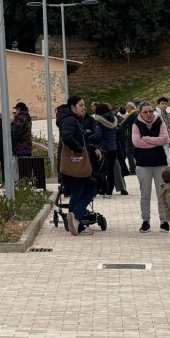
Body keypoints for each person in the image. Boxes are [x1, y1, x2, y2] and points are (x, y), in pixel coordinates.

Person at [56, 96, 99, 236]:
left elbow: (80, 139)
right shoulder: (70, 120)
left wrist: (91, 147)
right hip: (75, 164)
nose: (84, 107)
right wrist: (80, 149)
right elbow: (67, 137)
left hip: (73, 165)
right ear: (73, 107)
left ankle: (75, 224)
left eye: (84, 104)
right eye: (81, 105)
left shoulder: (73, 119)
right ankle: (76, 217)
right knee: (91, 188)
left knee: (78, 191)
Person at [131, 101, 170, 233]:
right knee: (145, 194)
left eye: (150, 111)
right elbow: (136, 142)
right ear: (140, 112)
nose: (148, 114)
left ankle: (164, 221)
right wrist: (155, 141)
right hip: (143, 163)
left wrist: (146, 139)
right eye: (145, 112)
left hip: (160, 162)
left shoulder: (160, 122)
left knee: (162, 193)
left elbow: (164, 139)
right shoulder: (136, 124)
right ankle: (145, 220)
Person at [92, 103, 119, 196]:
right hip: (113, 147)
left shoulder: (100, 121)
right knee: (111, 171)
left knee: (102, 170)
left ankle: (103, 189)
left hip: (104, 149)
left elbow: (98, 136)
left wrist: (91, 137)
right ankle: (110, 191)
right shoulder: (113, 119)